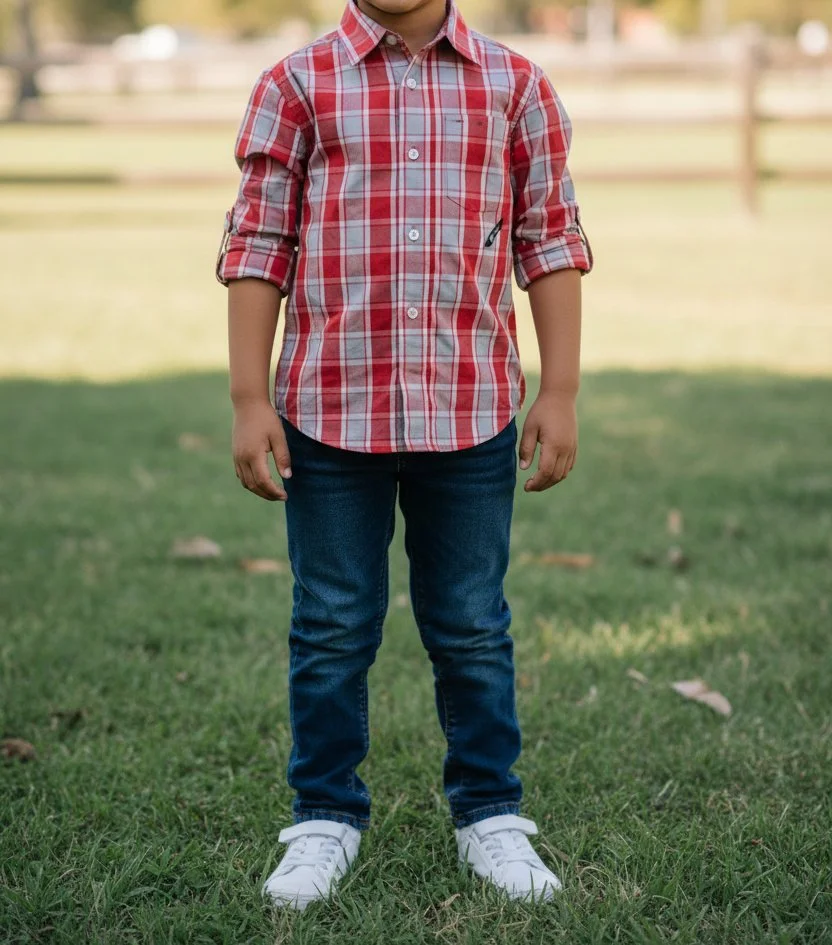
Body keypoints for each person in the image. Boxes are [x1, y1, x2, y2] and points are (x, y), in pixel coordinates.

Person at [216, 0, 593, 912]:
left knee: (470, 622)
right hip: (328, 413)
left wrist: (561, 390)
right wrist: (248, 398)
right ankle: (324, 815)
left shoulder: (515, 86)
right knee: (333, 623)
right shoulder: (296, 85)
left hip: (468, 413)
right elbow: (260, 245)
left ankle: (489, 811)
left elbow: (549, 241)